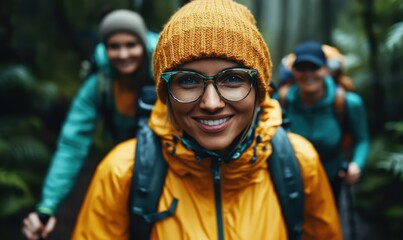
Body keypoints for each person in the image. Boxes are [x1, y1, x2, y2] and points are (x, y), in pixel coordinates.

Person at [72, 0, 342, 239]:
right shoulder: (122, 172)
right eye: (187, 80)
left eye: (233, 78)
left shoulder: (298, 162)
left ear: (259, 89)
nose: (211, 103)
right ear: (165, 92)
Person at [22, 9, 157, 239]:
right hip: (122, 167)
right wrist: (48, 205)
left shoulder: (163, 74)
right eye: (114, 46)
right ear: (105, 48)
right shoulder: (99, 84)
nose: (123, 54)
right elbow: (72, 144)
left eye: (131, 44)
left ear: (143, 44)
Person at [281, 41, 370, 205]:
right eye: (301, 68)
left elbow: (362, 139)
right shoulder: (281, 101)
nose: (308, 74)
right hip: (290, 180)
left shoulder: (347, 103)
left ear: (326, 70)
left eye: (314, 67)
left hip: (331, 179)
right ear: (293, 71)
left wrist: (356, 165)